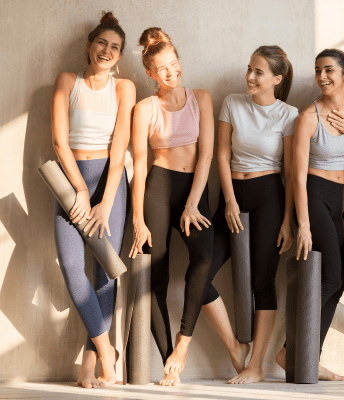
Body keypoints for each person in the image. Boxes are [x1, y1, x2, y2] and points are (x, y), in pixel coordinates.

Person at [129, 28, 245, 387]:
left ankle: (182, 345)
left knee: (205, 258)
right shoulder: (144, 108)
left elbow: (207, 154)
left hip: (194, 189)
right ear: (151, 73)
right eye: (162, 69)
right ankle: (169, 362)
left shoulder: (202, 98)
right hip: (158, 188)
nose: (171, 72)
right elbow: (138, 163)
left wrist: (194, 203)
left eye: (174, 64)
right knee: (154, 276)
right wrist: (137, 219)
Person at [51, 11, 135, 388]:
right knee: (71, 267)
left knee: (105, 274)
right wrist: (81, 192)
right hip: (70, 183)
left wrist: (104, 200)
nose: (107, 50)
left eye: (115, 47)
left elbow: (120, 150)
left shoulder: (125, 88)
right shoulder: (68, 81)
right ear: (88, 45)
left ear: (119, 56)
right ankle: (107, 353)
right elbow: (59, 141)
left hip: (110, 185)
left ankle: (90, 365)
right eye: (101, 42)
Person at [211, 45, 297, 384]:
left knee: (263, 281)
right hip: (232, 194)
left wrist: (288, 220)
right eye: (249, 69)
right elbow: (221, 154)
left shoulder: (288, 115)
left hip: (269, 199)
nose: (249, 76)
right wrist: (229, 201)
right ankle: (236, 347)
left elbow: (290, 174)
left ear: (276, 79)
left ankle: (257, 365)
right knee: (199, 273)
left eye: (258, 72)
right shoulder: (232, 103)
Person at [278, 48, 344, 381]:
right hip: (313, 195)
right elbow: (296, 175)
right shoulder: (308, 117)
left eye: (329, 70)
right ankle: (296, 352)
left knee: (336, 282)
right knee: (330, 277)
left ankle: (300, 353)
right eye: (317, 71)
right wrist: (302, 225)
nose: (322, 77)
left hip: (339, 197)